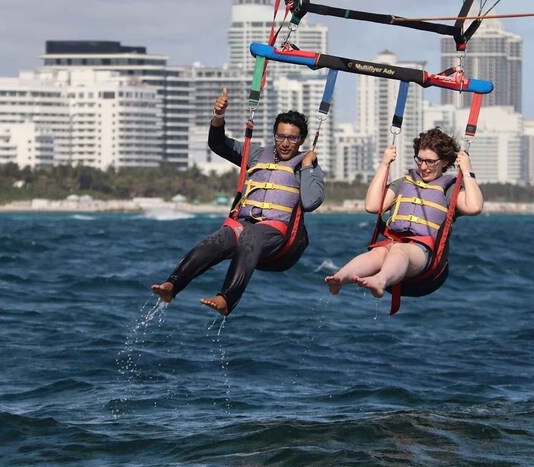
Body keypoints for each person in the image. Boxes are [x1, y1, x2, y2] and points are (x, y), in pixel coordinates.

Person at [152, 88, 325, 316]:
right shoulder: (256, 154)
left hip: (277, 233)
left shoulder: (307, 164)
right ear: (274, 135)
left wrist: (307, 166)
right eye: (280, 136)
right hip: (242, 223)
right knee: (218, 239)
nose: (285, 143)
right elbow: (218, 144)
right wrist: (218, 116)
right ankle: (172, 285)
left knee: (250, 236)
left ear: (301, 140)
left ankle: (227, 299)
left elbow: (311, 202)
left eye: (292, 138)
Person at [324, 128, 483, 298]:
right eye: (419, 160)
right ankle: (340, 278)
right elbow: (372, 206)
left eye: (430, 161)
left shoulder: (449, 190)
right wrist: (384, 164)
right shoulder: (403, 183)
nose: (423, 167)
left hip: (424, 253)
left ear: (444, 162)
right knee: (379, 252)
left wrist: (467, 171)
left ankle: (379, 281)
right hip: (393, 243)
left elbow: (474, 207)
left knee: (399, 250)